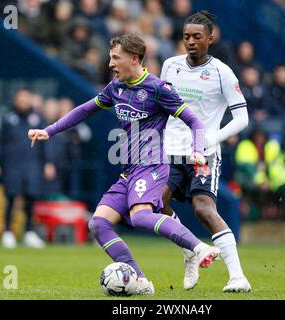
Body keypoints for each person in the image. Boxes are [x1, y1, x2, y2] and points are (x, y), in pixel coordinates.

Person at [28, 34, 219, 295]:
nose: (110, 64)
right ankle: (140, 281)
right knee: (97, 223)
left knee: (141, 216)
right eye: (110, 57)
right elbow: (85, 110)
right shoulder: (115, 88)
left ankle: (199, 247)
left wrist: (197, 150)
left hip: (153, 166)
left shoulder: (158, 89)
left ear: (134, 59)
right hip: (129, 171)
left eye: (115, 58)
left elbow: (194, 121)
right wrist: (49, 130)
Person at [160, 11, 251, 292]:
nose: (190, 41)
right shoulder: (170, 66)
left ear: (210, 38)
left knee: (203, 209)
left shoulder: (222, 72)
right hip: (171, 152)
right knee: (155, 204)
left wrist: (214, 137)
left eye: (197, 37)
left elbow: (243, 118)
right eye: (186, 36)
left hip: (204, 153)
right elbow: (162, 108)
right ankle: (190, 251)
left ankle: (238, 277)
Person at [0, 88, 49, 249]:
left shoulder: (37, 119)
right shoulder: (7, 118)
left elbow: (45, 143)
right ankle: (7, 232)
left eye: (25, 98)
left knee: (31, 197)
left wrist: (47, 163)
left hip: (32, 164)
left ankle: (29, 232)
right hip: (12, 164)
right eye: (20, 98)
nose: (23, 101)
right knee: (11, 197)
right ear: (16, 100)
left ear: (30, 100)